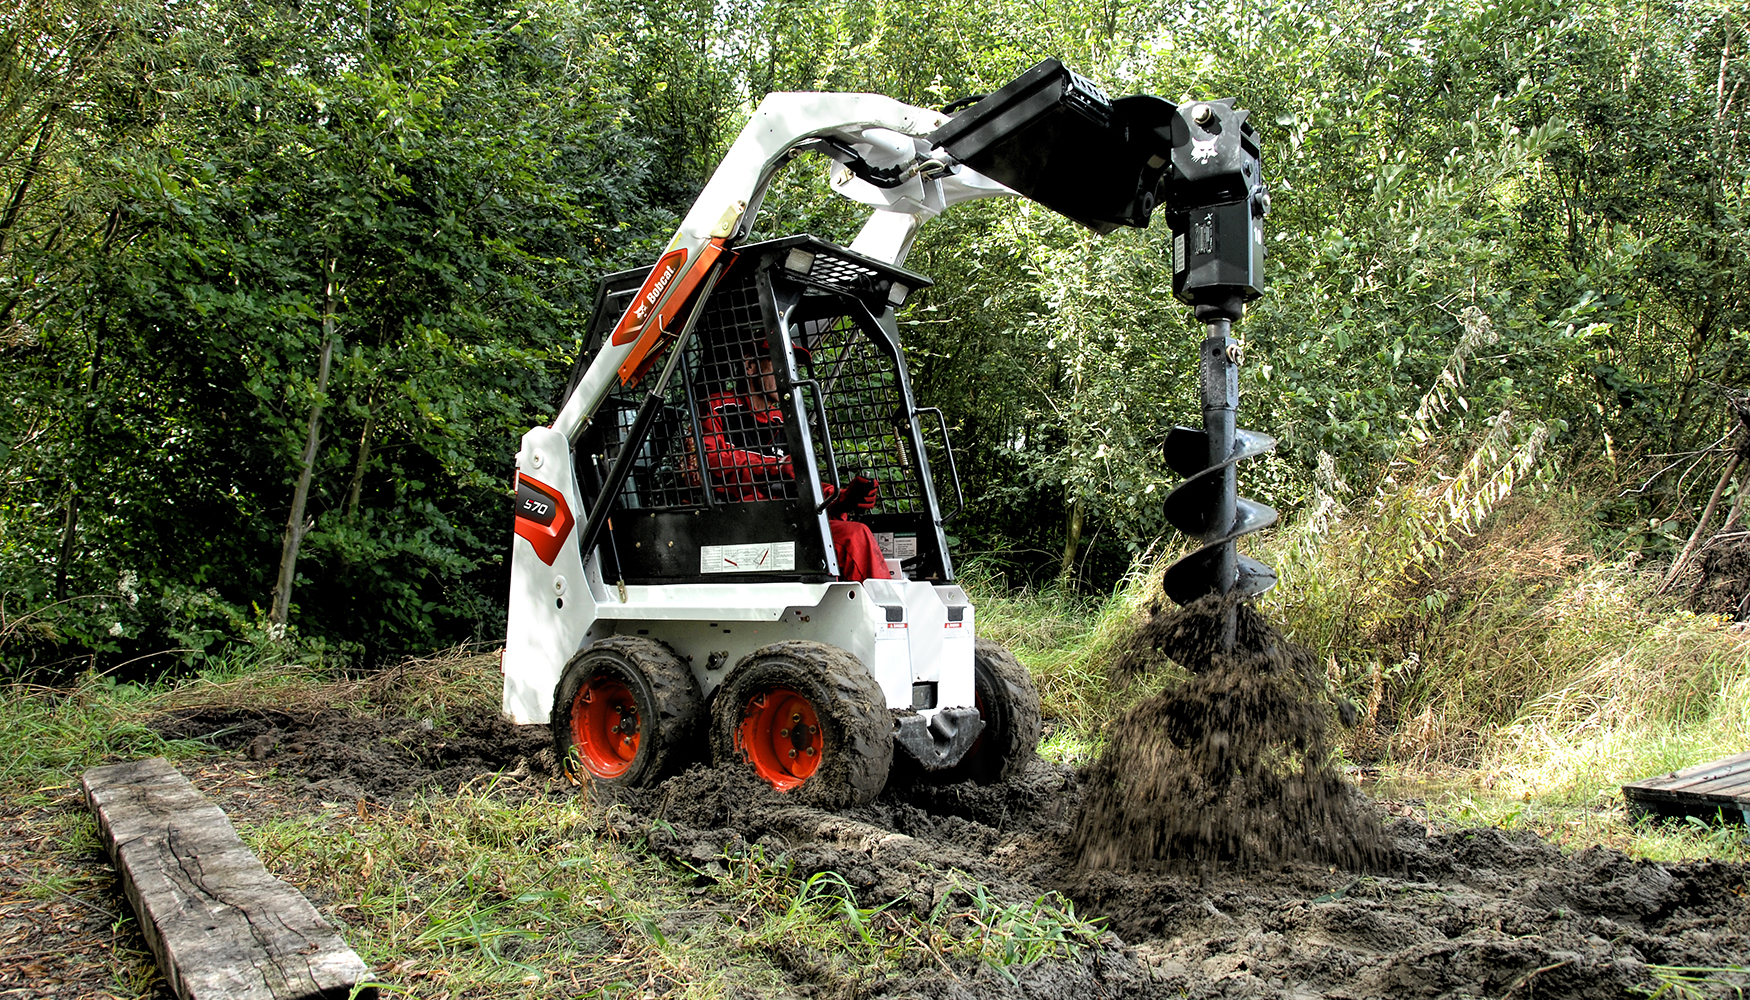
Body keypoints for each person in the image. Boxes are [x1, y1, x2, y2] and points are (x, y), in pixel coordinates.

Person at [698, 341, 891, 581]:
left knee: (849, 535)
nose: (788, 375)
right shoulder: (718, 408)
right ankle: (885, 614)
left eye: (793, 367)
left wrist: (838, 498)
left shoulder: (786, 423)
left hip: (784, 521)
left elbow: (798, 480)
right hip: (741, 523)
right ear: (750, 365)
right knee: (852, 539)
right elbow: (713, 464)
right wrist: (773, 467)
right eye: (780, 363)